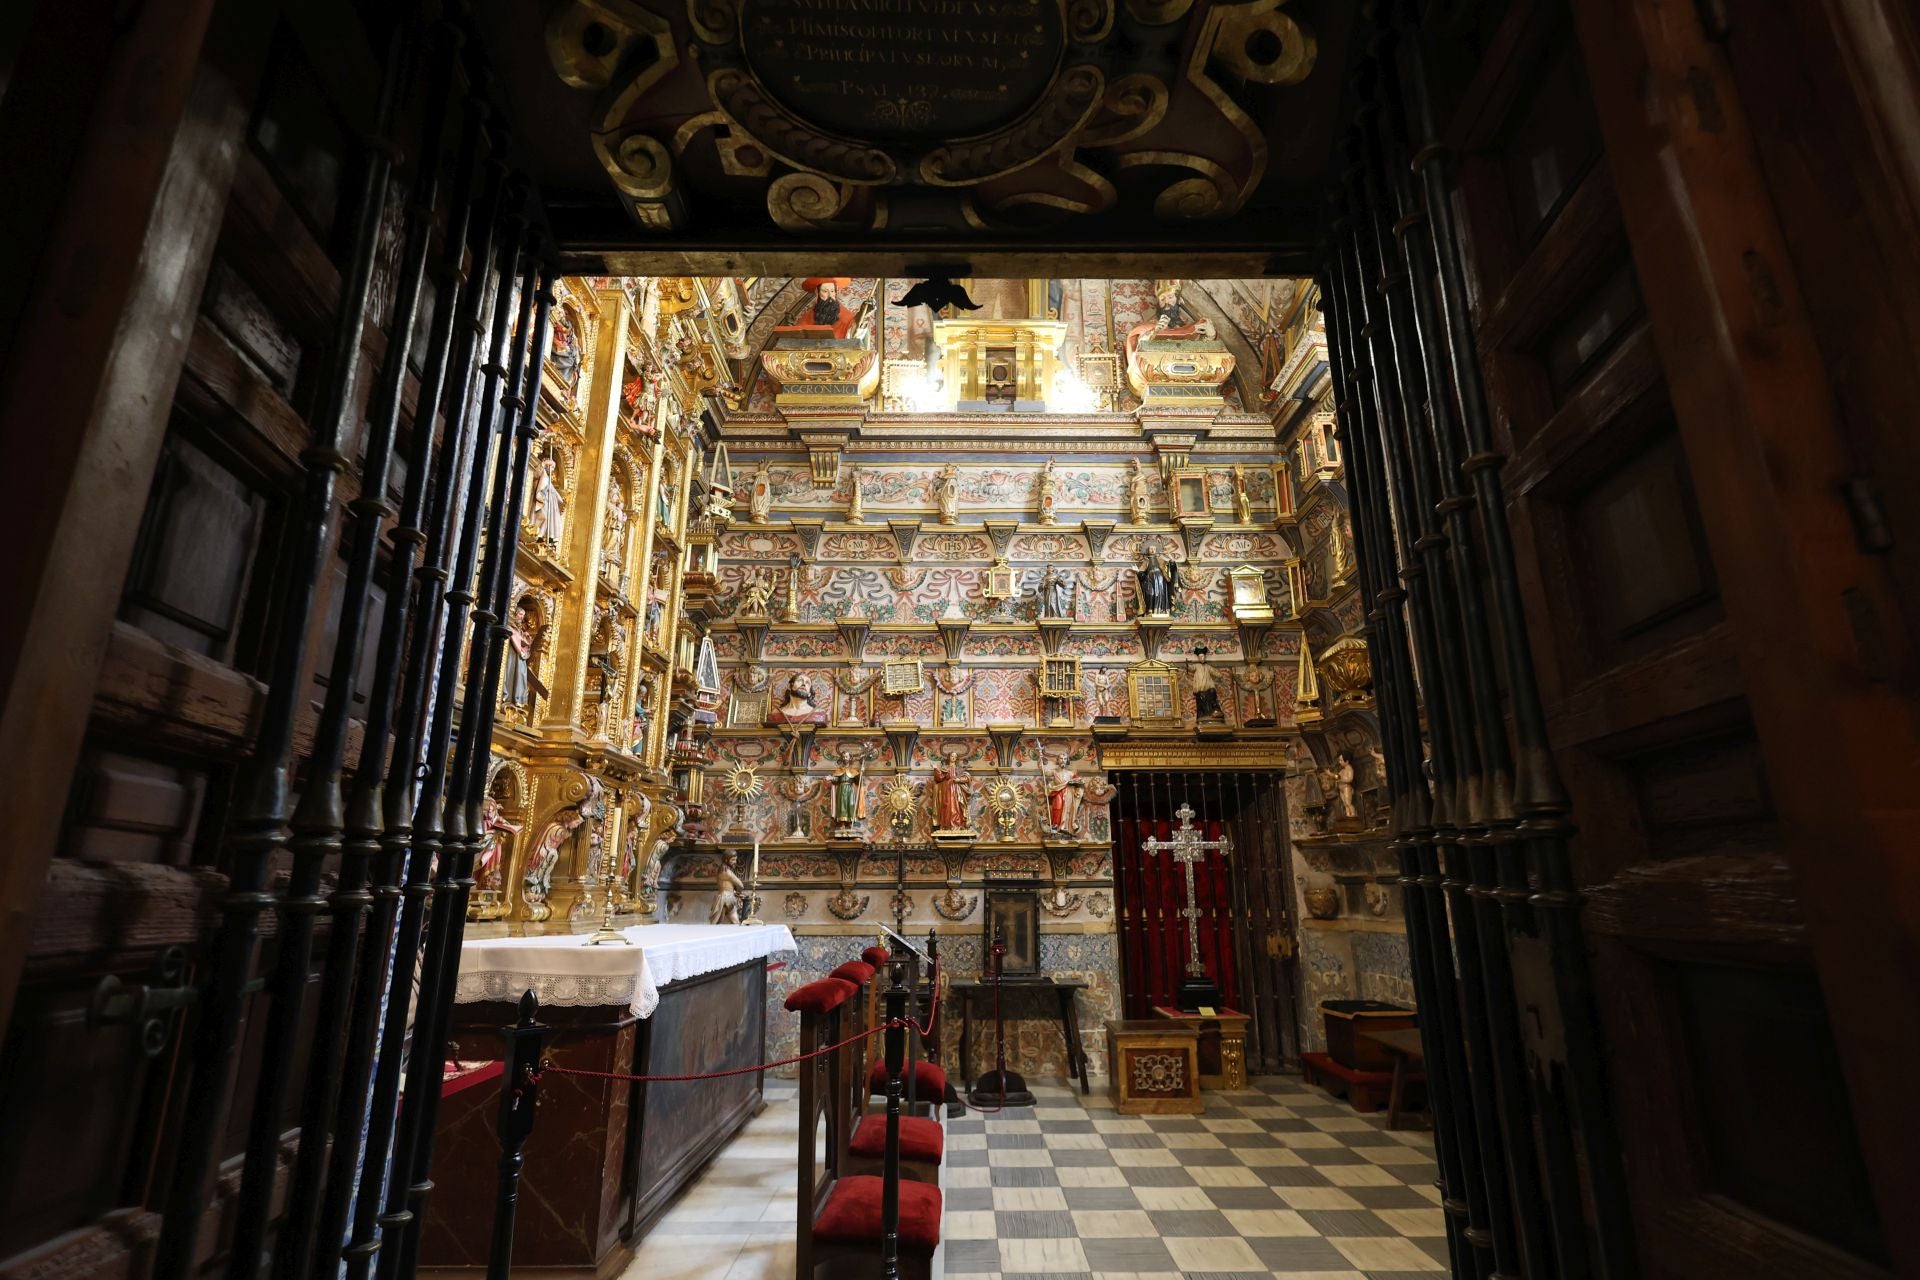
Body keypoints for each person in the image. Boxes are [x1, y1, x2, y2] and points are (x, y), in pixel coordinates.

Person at [931, 750, 975, 832]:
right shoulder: (945, 768)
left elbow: (968, 777)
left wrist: (959, 779)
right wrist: (936, 769)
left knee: (956, 806)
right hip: (947, 789)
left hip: (957, 790)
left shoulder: (960, 769)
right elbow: (939, 778)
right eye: (952, 756)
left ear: (957, 758)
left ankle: (957, 825)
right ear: (949, 757)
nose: (953, 757)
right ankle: (946, 825)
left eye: (955, 756)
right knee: (947, 806)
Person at [501, 604, 536, 707]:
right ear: (515, 614)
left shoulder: (520, 631)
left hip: (519, 657)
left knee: (521, 674)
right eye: (520, 614)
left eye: (523, 615)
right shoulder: (511, 628)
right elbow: (515, 638)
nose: (521, 617)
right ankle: (506, 697)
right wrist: (521, 639)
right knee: (510, 672)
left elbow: (524, 643)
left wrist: (526, 639)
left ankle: (518, 699)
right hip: (511, 655)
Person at [1135, 542, 1180, 616]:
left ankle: (1160, 610)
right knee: (1150, 594)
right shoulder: (1146, 561)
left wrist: (1171, 559)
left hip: (1160, 581)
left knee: (1160, 594)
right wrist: (1138, 572)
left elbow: (1170, 568)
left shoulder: (1161, 560)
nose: (1152, 550)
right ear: (1147, 551)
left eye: (1154, 549)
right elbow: (1142, 575)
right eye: (1150, 549)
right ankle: (1150, 611)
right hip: (1149, 580)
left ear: (1156, 550)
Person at [531, 455, 565, 545]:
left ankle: (541, 537)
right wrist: (543, 463)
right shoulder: (542, 473)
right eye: (551, 466)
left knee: (549, 520)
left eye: (554, 467)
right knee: (543, 516)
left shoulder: (548, 480)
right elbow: (534, 473)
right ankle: (535, 534)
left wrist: (562, 502)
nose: (552, 469)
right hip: (540, 501)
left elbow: (555, 493)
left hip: (548, 503)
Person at [1190, 646, 1223, 721]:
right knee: (1201, 698)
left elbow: (1215, 672)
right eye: (1200, 657)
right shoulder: (1197, 666)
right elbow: (1191, 668)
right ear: (1198, 658)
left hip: (1208, 686)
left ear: (1205, 657)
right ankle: (1204, 714)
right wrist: (1187, 665)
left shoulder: (1208, 666)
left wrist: (1219, 674)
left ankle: (1215, 710)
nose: (1202, 658)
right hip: (1200, 688)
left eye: (1203, 657)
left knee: (1212, 693)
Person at [710, 852, 744, 925]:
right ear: (726, 860)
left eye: (735, 859)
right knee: (715, 923)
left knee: (735, 922)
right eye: (733, 860)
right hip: (724, 898)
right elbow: (740, 885)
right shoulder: (726, 872)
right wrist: (738, 891)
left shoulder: (723, 869)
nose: (735, 862)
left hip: (727, 897)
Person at [1127, 457, 1152, 524]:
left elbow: (1132, 488)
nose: (1134, 465)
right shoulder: (1136, 477)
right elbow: (1132, 489)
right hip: (1137, 495)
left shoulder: (1140, 476)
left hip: (1141, 494)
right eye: (1133, 464)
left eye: (1134, 463)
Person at [1036, 458, 1058, 525]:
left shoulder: (1051, 477)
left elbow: (1047, 473)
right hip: (1046, 490)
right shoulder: (1047, 477)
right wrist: (1048, 464)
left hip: (1050, 491)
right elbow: (1046, 473)